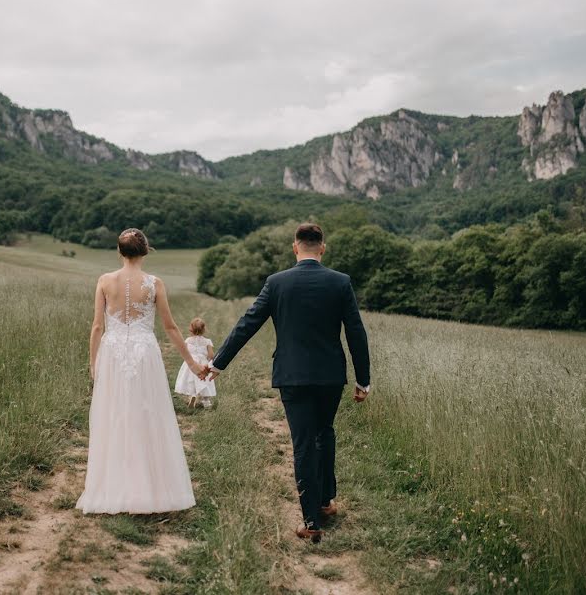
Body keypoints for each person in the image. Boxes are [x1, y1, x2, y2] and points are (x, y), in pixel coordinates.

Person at [201, 222, 370, 543]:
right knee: (325, 432)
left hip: (292, 375)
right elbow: (356, 331)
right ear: (322, 247)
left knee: (303, 442)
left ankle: (311, 521)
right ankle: (324, 501)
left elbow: (247, 323)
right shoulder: (341, 282)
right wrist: (364, 380)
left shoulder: (277, 283)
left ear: (295, 247)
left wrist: (218, 363)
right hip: (331, 375)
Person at [76, 228, 202, 515]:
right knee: (148, 414)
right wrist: (193, 365)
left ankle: (115, 487)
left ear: (120, 252)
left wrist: (93, 363)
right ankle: (151, 489)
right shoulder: (155, 283)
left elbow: (97, 327)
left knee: (114, 415)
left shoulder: (105, 281)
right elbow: (170, 328)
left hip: (113, 354)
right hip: (145, 354)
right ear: (145, 251)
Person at [174, 317, 217, 408]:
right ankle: (206, 401)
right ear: (204, 329)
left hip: (191, 364)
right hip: (203, 364)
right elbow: (211, 355)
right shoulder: (207, 341)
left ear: (191, 329)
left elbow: (184, 351)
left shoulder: (188, 340)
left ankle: (193, 395)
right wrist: (209, 360)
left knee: (191, 380)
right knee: (204, 381)